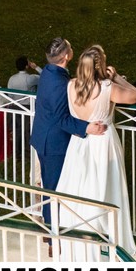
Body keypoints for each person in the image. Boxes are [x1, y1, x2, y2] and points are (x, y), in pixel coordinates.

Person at [56, 44, 136, 259]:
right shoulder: (106, 88)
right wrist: (118, 78)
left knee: (80, 190)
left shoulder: (71, 85)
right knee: (108, 189)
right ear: (100, 66)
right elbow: (134, 96)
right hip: (103, 144)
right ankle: (110, 242)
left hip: (79, 142)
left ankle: (79, 243)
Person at [30, 38, 106, 227]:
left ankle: (54, 231)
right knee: (55, 191)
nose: (72, 48)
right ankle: (53, 237)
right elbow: (61, 118)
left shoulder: (49, 71)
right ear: (66, 56)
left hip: (44, 137)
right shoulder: (57, 82)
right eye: (70, 47)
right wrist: (86, 127)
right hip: (54, 144)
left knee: (52, 188)